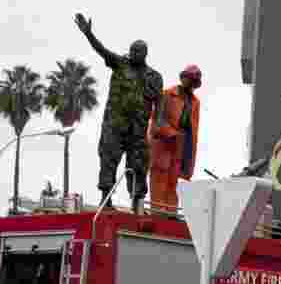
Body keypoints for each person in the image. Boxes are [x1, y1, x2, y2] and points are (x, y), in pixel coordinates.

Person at [75, 13, 164, 215]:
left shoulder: (155, 77)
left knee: (138, 165)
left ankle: (137, 204)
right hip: (115, 126)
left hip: (138, 130)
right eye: (131, 49)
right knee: (108, 160)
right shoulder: (119, 63)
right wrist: (89, 34)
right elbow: (101, 50)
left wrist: (156, 124)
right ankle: (105, 201)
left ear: (144, 54)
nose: (132, 53)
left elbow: (159, 102)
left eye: (137, 51)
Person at [149, 65, 203, 214]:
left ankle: (171, 212)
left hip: (180, 146)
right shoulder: (166, 94)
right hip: (163, 145)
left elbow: (193, 128)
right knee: (160, 178)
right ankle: (158, 211)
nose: (191, 84)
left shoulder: (195, 103)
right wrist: (171, 134)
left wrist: (188, 150)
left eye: (194, 82)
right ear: (183, 78)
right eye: (190, 79)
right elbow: (156, 122)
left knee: (173, 181)